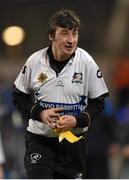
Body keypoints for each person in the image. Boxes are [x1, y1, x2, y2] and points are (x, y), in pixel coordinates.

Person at [12, 9, 109, 179]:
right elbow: (18, 96)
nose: (71, 40)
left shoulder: (86, 62)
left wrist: (76, 121)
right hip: (40, 142)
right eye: (64, 33)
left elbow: (98, 103)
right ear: (52, 36)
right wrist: (40, 113)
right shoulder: (35, 61)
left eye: (74, 33)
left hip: (73, 145)